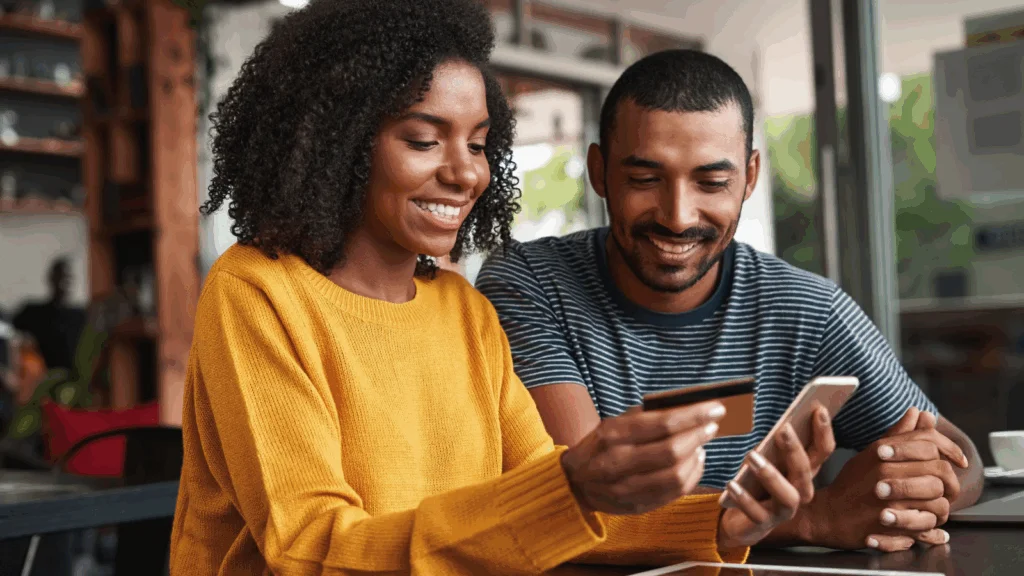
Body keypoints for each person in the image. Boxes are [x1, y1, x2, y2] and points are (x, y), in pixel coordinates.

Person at [168, 2, 832, 574]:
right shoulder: (257, 293)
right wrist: (570, 489)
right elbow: (308, 550)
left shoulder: (464, 311)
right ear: (339, 143)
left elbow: (545, 506)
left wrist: (720, 522)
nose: (465, 174)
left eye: (481, 144)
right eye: (425, 141)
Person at [475, 49, 984, 554]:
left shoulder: (806, 310)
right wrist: (815, 518)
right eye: (645, 179)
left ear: (750, 177)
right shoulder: (529, 284)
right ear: (600, 172)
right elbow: (586, 501)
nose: (678, 216)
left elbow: (963, 461)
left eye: (712, 182)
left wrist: (904, 487)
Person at [11, 257, 86, 372]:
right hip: (42, 380)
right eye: (60, 277)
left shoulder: (80, 316)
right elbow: (9, 332)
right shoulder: (33, 313)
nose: (63, 283)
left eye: (67, 278)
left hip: (73, 380)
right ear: (51, 278)